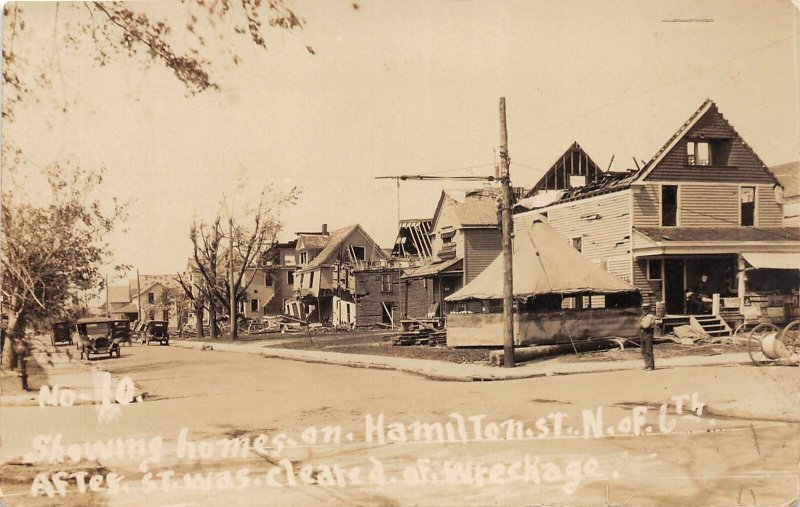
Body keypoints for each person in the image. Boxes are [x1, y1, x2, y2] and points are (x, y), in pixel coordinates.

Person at [640, 303, 659, 371]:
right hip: (642, 333)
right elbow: (639, 325)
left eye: (646, 308)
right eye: (643, 308)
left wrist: (641, 325)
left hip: (648, 333)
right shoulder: (644, 316)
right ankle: (647, 364)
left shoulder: (650, 316)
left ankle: (651, 366)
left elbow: (646, 325)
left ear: (649, 309)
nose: (644, 310)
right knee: (643, 350)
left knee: (648, 350)